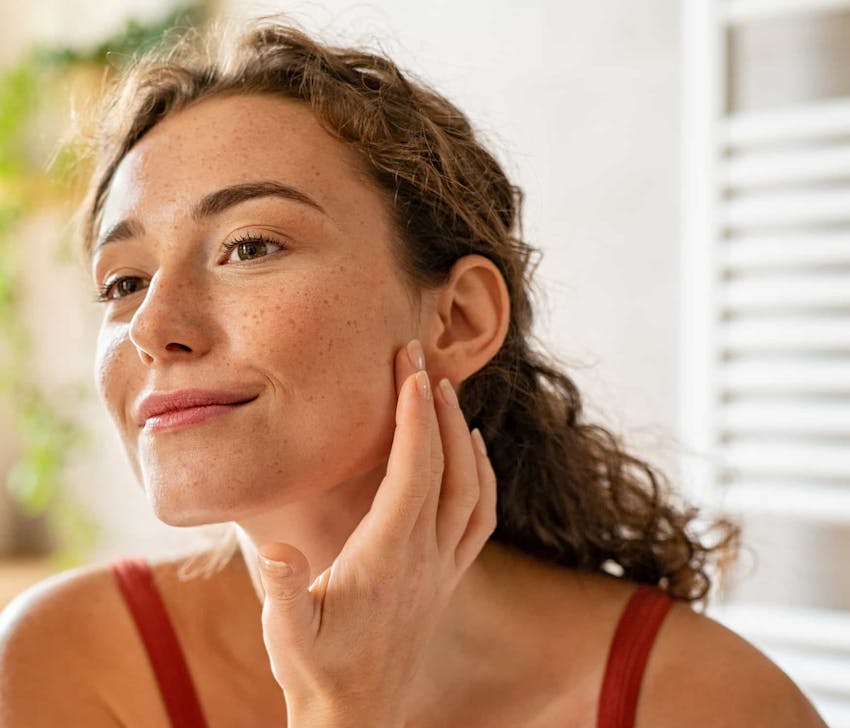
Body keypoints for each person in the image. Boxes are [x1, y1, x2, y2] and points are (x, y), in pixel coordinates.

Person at [0, 17, 829, 728]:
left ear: (459, 319)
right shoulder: (66, 666)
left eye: (250, 246)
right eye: (124, 282)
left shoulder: (709, 703)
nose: (153, 326)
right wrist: (344, 708)